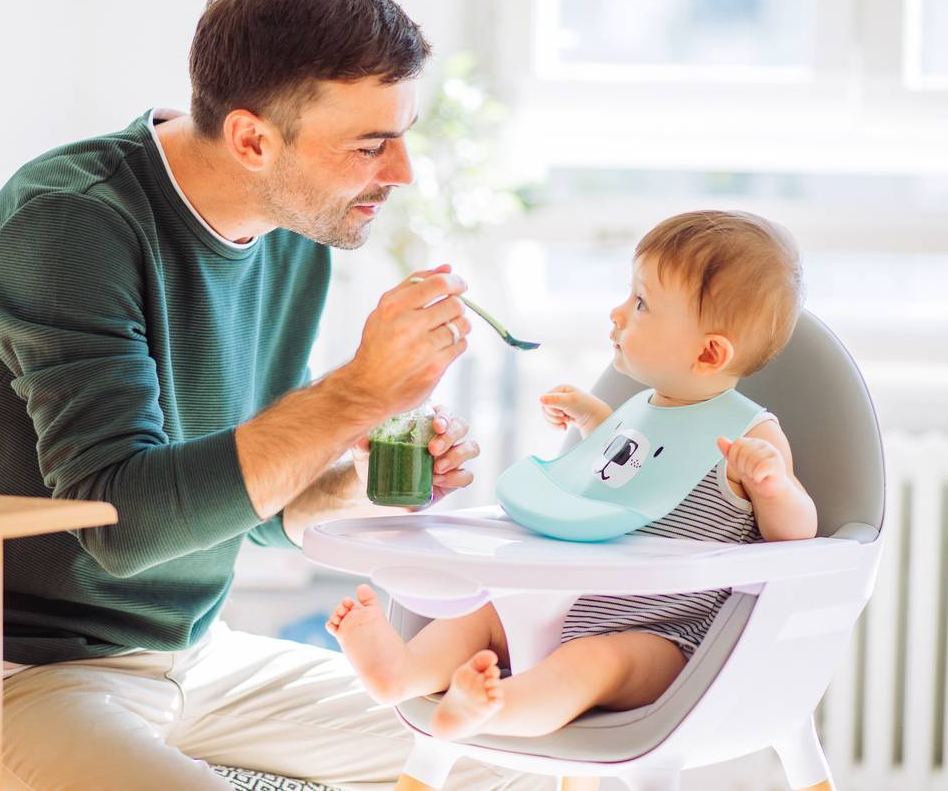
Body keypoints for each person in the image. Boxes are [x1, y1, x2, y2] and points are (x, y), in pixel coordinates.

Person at [0, 0, 538, 788]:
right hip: (17, 671)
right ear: (251, 139)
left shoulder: (290, 235)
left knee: (506, 750)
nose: (401, 173)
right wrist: (356, 392)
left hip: (196, 658)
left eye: (404, 135)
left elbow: (257, 513)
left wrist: (367, 480)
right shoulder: (68, 226)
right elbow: (122, 526)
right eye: (370, 145)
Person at [328, 210, 818, 742]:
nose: (618, 312)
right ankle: (400, 672)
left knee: (591, 664)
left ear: (708, 352)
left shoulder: (751, 436)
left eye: (641, 303)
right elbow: (631, 470)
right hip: (573, 598)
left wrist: (774, 486)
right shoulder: (641, 408)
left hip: (664, 636)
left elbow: (795, 537)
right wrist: (595, 423)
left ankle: (495, 708)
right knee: (487, 616)